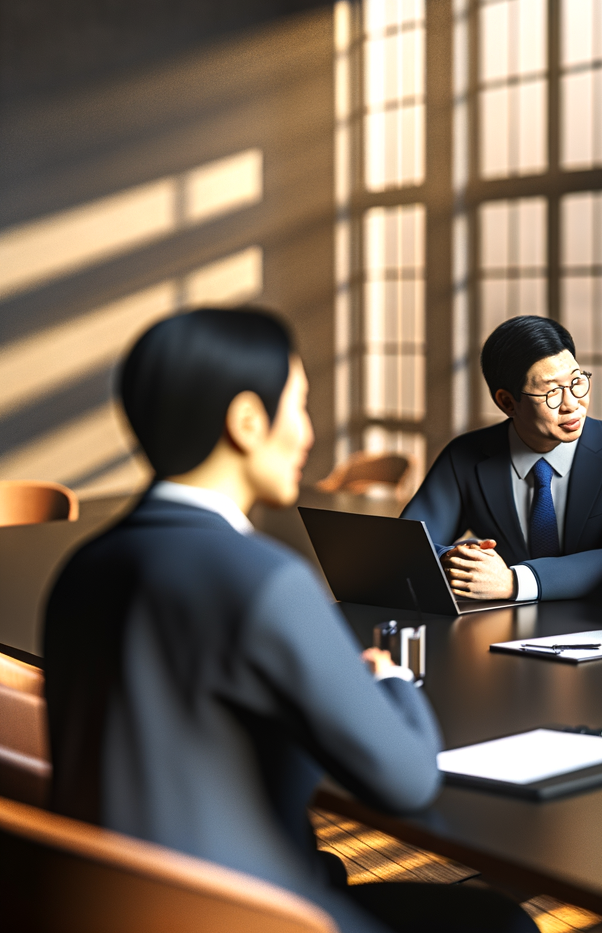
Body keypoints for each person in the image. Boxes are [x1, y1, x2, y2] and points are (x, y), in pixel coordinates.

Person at [43, 309, 533, 933]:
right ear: (247, 421)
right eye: (298, 406)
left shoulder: (83, 567)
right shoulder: (266, 579)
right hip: (249, 912)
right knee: (501, 923)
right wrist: (391, 680)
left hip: (108, 902)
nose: (307, 433)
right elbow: (406, 781)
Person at [402, 315, 602, 602]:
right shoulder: (465, 455)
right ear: (507, 402)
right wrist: (456, 560)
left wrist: (516, 581)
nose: (572, 404)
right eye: (551, 391)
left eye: (577, 381)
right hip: (500, 622)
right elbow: (409, 542)